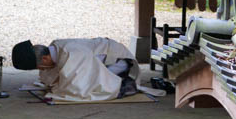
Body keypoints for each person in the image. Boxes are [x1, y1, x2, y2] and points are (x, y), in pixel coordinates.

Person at [11, 38, 140, 102]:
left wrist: (56, 90)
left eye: (40, 67)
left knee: (91, 86)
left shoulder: (71, 54)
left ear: (44, 58)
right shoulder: (55, 49)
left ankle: (122, 81)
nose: (42, 70)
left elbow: (76, 86)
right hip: (96, 56)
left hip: (118, 59)